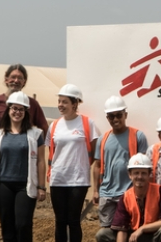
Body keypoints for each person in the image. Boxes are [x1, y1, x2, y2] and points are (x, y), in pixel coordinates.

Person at [0, 64, 49, 242]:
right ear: (6, 78)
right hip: (2, 179)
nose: (16, 80)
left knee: (23, 224)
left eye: (20, 77)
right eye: (13, 77)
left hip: (26, 180)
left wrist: (41, 186)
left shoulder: (34, 125)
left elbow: (41, 158)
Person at [46, 84, 101, 242]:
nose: (60, 105)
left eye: (64, 102)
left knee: (74, 221)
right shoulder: (54, 125)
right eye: (59, 101)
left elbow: (95, 151)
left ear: (75, 104)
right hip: (58, 179)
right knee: (60, 222)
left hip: (78, 179)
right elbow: (52, 151)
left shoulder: (87, 123)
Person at [94, 96, 150, 236]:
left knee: (132, 230)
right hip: (107, 193)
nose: (115, 119)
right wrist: (95, 190)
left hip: (130, 193)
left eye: (119, 115)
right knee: (108, 232)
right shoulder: (103, 139)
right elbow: (97, 165)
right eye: (111, 116)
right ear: (107, 118)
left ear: (125, 115)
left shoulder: (138, 136)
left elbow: (144, 167)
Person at [96, 154, 161, 242]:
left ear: (149, 174)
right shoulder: (126, 197)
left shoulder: (160, 191)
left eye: (143, 173)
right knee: (103, 234)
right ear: (130, 175)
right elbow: (122, 228)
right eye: (136, 173)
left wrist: (142, 229)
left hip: (153, 236)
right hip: (133, 237)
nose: (139, 177)